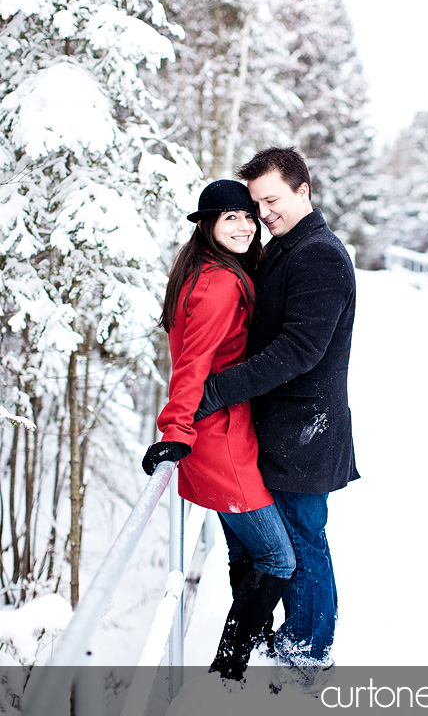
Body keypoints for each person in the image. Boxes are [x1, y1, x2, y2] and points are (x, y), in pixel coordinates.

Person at [196, 147, 360, 668]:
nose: (264, 212)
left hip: (304, 431)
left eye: (272, 200)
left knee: (303, 539)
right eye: (256, 202)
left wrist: (220, 390)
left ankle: (308, 649)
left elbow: (299, 349)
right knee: (293, 536)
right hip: (285, 430)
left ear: (302, 191)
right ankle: (295, 638)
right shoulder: (287, 248)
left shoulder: (319, 255)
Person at [142, 179, 296, 683]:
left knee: (250, 551)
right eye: (230, 217)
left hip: (231, 431)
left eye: (249, 216)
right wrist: (175, 428)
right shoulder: (219, 283)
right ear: (207, 224)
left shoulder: (208, 271)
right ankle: (228, 667)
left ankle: (251, 643)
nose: (245, 225)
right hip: (217, 439)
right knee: (278, 557)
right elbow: (192, 365)